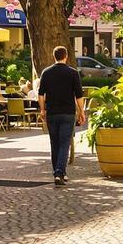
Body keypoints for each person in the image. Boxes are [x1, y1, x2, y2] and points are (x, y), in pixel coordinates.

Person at [39, 46, 85, 186]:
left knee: (55, 143)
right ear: (66, 56)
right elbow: (79, 95)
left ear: (54, 56)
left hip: (52, 112)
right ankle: (59, 172)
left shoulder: (46, 72)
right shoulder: (72, 73)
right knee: (65, 143)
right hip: (67, 113)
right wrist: (81, 111)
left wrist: (42, 110)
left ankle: (59, 173)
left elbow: (41, 94)